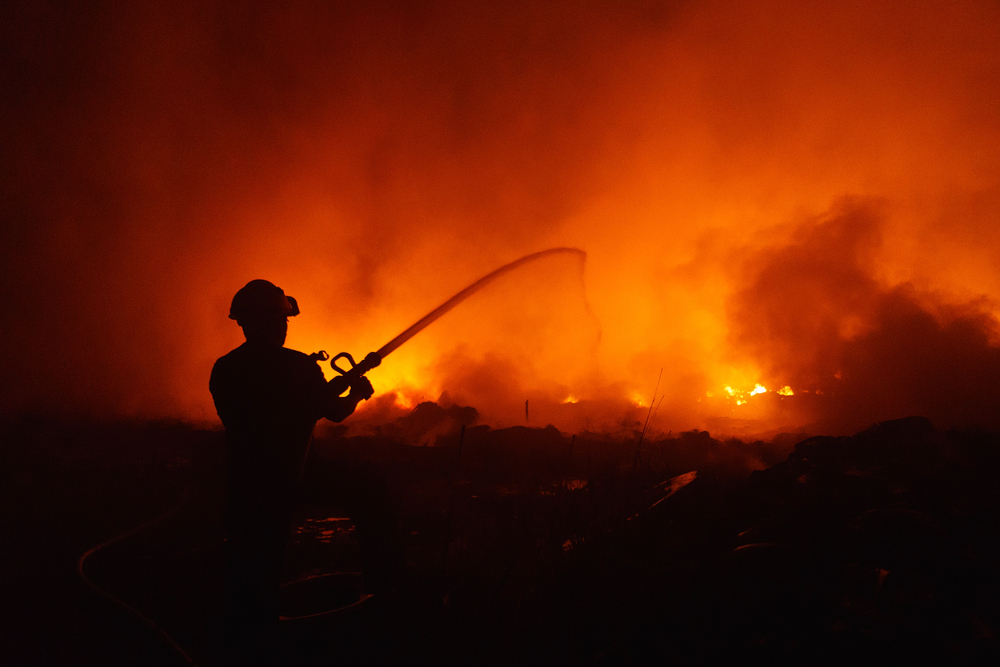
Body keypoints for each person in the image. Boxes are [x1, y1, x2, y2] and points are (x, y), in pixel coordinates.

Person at [209, 279, 376, 663]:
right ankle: (268, 642)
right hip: (289, 477)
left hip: (243, 482)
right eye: (280, 321)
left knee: (244, 564)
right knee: (366, 489)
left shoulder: (225, 369)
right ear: (265, 324)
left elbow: (253, 417)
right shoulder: (298, 366)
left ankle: (240, 636)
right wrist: (356, 392)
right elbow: (333, 411)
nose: (284, 328)